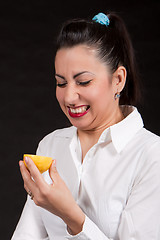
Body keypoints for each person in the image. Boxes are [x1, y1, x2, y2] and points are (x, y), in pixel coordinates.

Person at [11, 12, 160, 240]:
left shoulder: (151, 155)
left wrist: (72, 216)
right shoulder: (50, 145)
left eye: (84, 82)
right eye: (61, 83)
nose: (69, 97)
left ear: (118, 80)